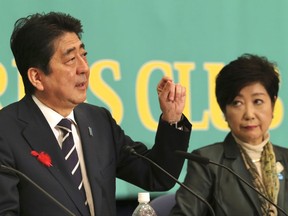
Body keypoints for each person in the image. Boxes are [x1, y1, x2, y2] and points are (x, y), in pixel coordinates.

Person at [0, 12, 192, 216]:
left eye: (84, 55)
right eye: (71, 59)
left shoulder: (98, 120)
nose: (84, 68)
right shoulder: (6, 132)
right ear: (37, 77)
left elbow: (156, 175)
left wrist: (172, 119)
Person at [170, 54, 288, 216]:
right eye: (237, 103)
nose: (249, 114)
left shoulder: (286, 159)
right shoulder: (208, 162)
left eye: (258, 101)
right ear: (224, 111)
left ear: (273, 105)